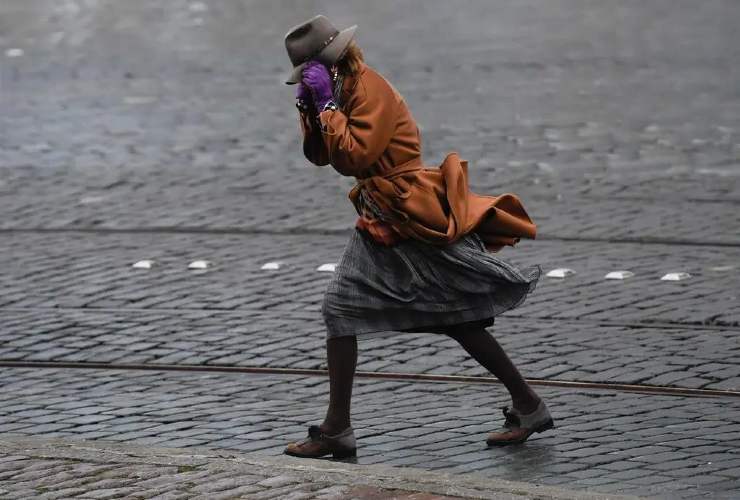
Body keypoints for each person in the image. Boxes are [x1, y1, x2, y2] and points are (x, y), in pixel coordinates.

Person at [282, 15, 553, 459]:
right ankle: (338, 428)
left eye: (311, 71)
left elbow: (354, 158)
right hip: (382, 213)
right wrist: (310, 110)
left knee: (444, 314)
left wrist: (327, 106)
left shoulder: (369, 88)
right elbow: (320, 156)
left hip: (407, 211)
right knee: (358, 311)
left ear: (330, 62)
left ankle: (337, 430)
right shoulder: (341, 88)